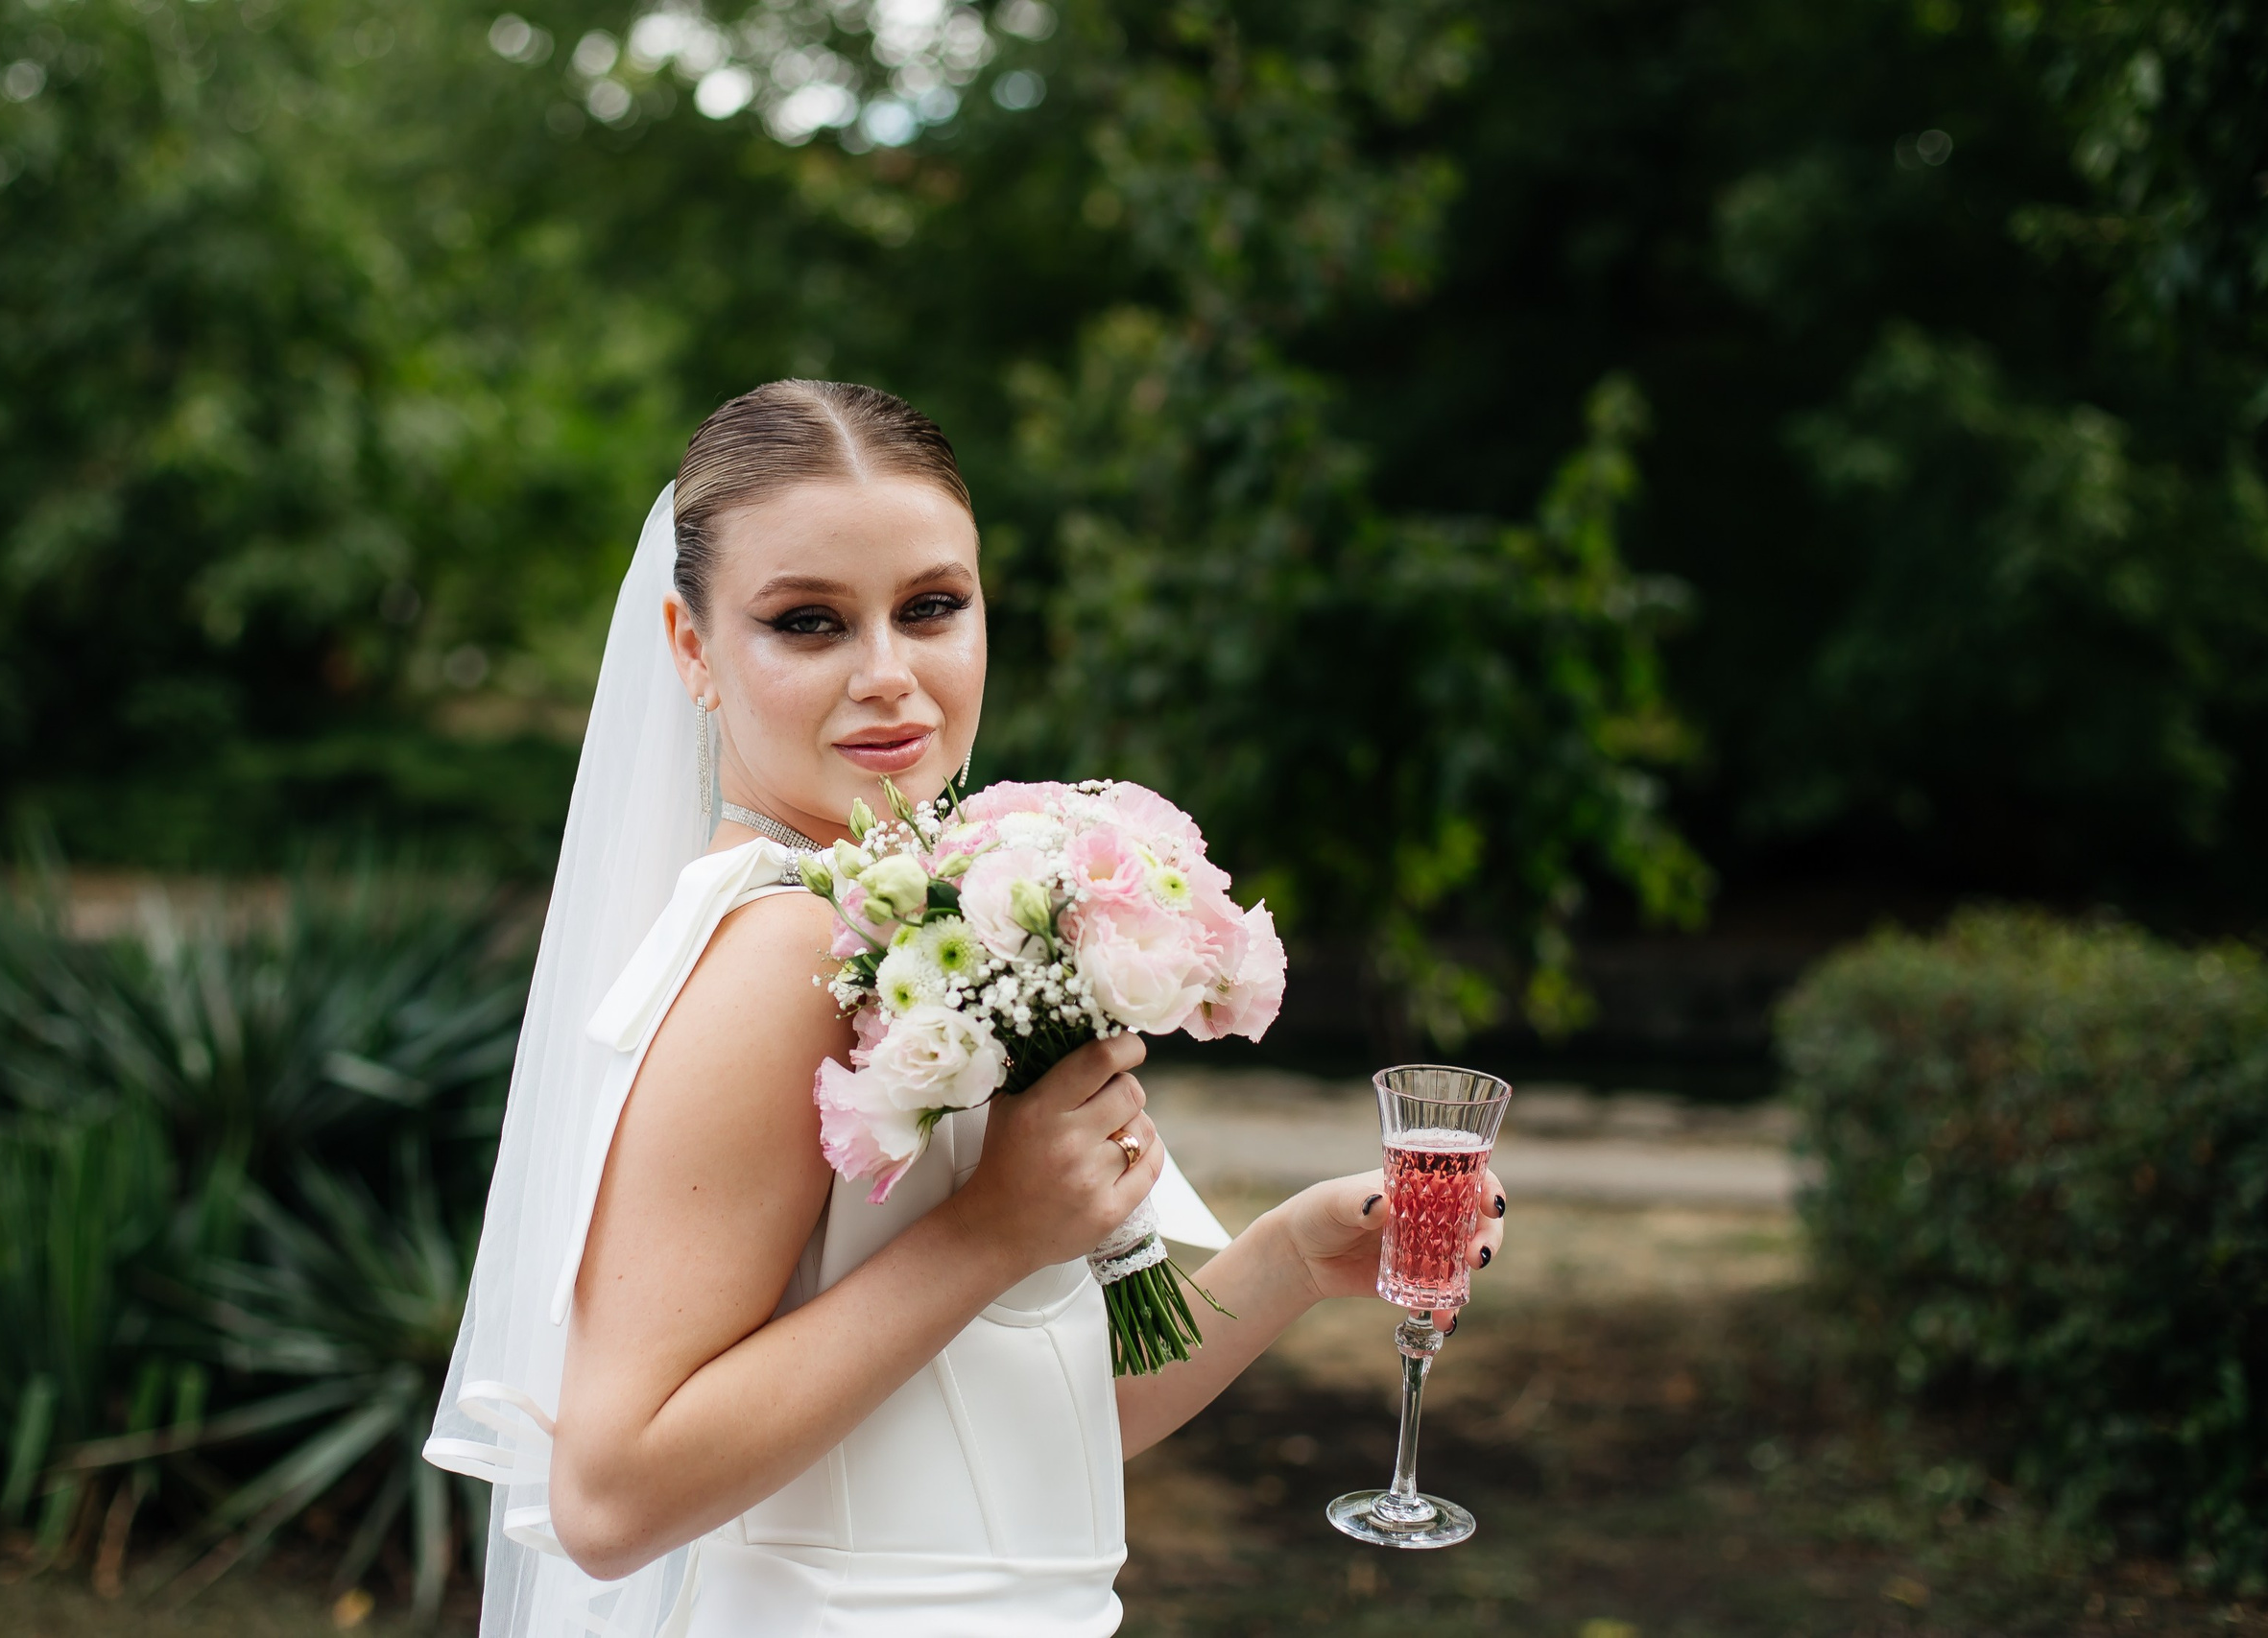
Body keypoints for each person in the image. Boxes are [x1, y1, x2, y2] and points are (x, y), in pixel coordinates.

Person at [424, 380, 1507, 1637]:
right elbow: (610, 1500)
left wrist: (1289, 1260)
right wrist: (991, 1232)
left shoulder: (934, 926)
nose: (889, 676)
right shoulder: (783, 954)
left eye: (931, 606)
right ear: (690, 650)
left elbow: (1046, 1419)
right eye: (810, 622)